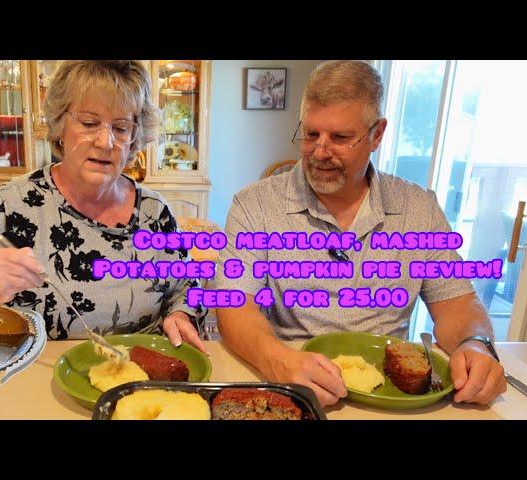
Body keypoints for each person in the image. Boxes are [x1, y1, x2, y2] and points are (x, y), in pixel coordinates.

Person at [214, 60, 506, 406]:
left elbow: (458, 304)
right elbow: (234, 306)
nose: (319, 152)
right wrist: (278, 360)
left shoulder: (419, 208)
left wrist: (475, 343)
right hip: (295, 383)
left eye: (340, 138)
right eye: (310, 134)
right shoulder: (255, 205)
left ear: (377, 134)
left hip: (392, 392)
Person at [0, 60, 207, 352]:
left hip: (139, 382)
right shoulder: (9, 206)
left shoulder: (155, 214)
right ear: (60, 126)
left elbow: (188, 285)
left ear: (134, 138)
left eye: (121, 127)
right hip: (34, 385)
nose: (105, 141)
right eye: (89, 123)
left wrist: (180, 314)